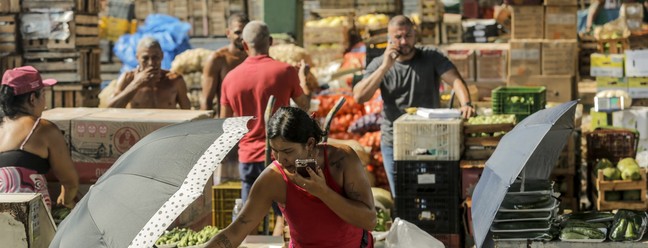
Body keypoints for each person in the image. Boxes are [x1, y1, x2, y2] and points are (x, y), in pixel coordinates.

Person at [206, 106, 376, 248]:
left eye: (288, 151)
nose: (280, 159)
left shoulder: (342, 160)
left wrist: (323, 192)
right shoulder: (273, 178)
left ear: (309, 144)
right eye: (275, 151)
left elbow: (369, 221)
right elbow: (237, 229)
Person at [352, 15, 474, 197]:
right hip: (394, 141)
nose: (403, 41)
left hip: (428, 140)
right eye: (398, 37)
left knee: (430, 192)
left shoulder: (431, 57)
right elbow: (360, 96)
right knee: (402, 196)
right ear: (389, 38)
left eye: (408, 36)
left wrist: (466, 103)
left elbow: (455, 80)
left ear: (415, 35)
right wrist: (386, 66)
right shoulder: (379, 64)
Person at [220, 20, 311, 236]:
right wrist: (302, 78)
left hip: (248, 157)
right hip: (280, 157)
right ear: (270, 42)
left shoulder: (230, 79)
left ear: (244, 45)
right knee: (283, 213)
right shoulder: (285, 71)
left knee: (247, 217)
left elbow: (224, 123)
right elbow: (305, 106)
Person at [0, 66, 79, 209]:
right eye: (43, 94)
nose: (45, 102)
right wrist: (66, 201)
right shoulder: (43, 129)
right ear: (32, 99)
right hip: (28, 219)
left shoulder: (2, 126)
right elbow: (70, 183)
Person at [107, 37, 191, 109]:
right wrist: (136, 84)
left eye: (155, 57)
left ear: (162, 56)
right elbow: (110, 110)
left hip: (166, 127)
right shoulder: (128, 78)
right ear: (137, 58)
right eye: (145, 58)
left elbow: (187, 112)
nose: (151, 63)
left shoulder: (175, 80)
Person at [200, 13, 250, 115]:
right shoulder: (218, 59)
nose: (242, 37)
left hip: (253, 123)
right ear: (228, 33)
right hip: (227, 124)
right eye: (237, 32)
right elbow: (206, 100)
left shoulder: (254, 58)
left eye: (245, 33)